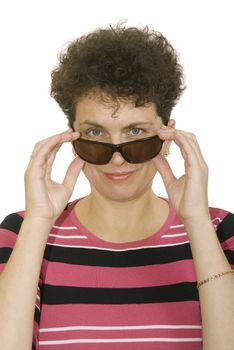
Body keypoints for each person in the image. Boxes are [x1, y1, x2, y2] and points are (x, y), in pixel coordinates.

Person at [0, 23, 233, 350]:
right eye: (96, 134)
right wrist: (40, 220)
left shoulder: (221, 232)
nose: (117, 159)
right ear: (72, 137)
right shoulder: (21, 233)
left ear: (167, 136)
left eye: (136, 133)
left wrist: (195, 220)